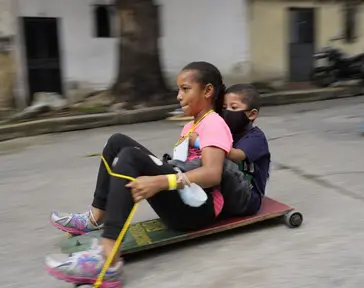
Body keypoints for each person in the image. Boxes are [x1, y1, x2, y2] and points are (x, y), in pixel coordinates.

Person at [45, 61, 237, 287]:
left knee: (130, 157)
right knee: (117, 142)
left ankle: (108, 261)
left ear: (207, 91)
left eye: (185, 89)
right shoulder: (190, 127)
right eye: (178, 90)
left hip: (199, 209)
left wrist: (161, 181)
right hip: (184, 196)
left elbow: (213, 174)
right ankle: (96, 218)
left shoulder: (214, 123)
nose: (178, 96)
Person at [189, 83, 270, 215]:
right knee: (204, 159)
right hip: (226, 193)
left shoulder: (256, 137)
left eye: (233, 107)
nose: (226, 112)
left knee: (219, 160)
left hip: (248, 198)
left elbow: (235, 155)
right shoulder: (226, 132)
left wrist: (200, 142)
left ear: (251, 114)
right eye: (224, 107)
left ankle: (179, 172)